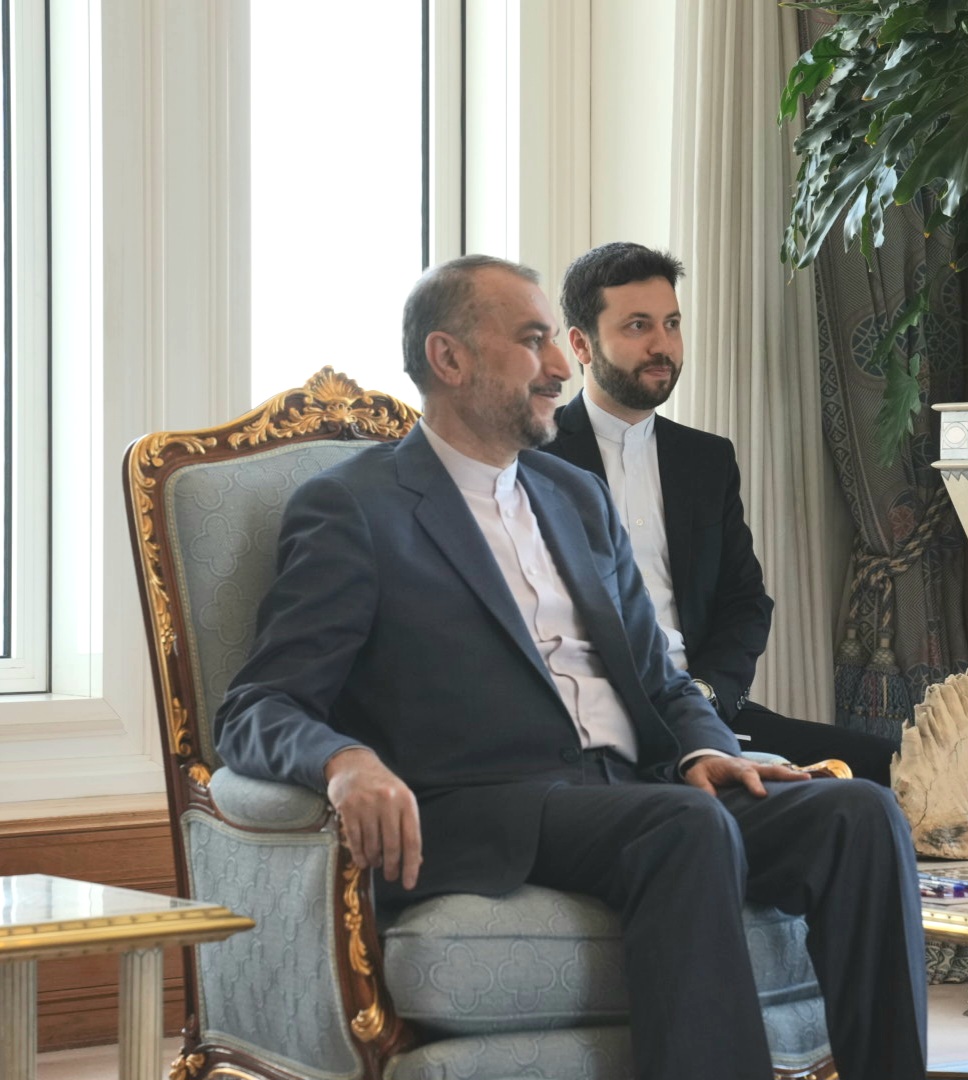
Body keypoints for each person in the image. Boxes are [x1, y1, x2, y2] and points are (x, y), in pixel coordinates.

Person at [215, 255, 927, 1080]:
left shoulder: (573, 496)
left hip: (637, 787)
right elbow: (255, 706)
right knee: (682, 826)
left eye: (554, 339)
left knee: (858, 813)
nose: (559, 366)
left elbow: (658, 676)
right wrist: (345, 760)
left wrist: (703, 747)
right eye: (532, 341)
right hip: (492, 804)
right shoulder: (356, 507)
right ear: (449, 358)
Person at [546, 242, 899, 783]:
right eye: (638, 326)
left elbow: (745, 602)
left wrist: (706, 693)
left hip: (702, 709)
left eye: (671, 324)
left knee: (888, 767)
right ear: (581, 344)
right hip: (590, 718)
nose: (662, 345)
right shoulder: (535, 459)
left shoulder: (705, 459)